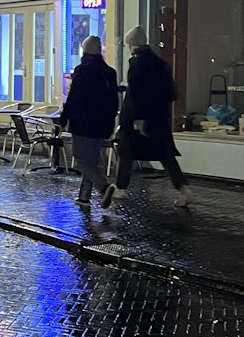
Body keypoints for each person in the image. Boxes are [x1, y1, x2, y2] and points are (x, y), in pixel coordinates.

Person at [103, 26, 190, 209]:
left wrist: (138, 118)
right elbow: (171, 92)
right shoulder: (160, 63)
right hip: (159, 118)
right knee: (165, 155)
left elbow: (137, 93)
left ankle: (120, 187)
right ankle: (183, 187)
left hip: (138, 119)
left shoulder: (137, 64)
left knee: (125, 152)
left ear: (132, 45)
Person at [59, 35, 118, 207]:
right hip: (102, 124)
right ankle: (84, 197)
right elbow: (114, 101)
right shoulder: (109, 73)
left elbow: (73, 97)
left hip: (83, 123)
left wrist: (64, 119)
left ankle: (104, 186)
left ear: (85, 51)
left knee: (80, 160)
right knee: (91, 160)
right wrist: (110, 123)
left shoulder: (82, 71)